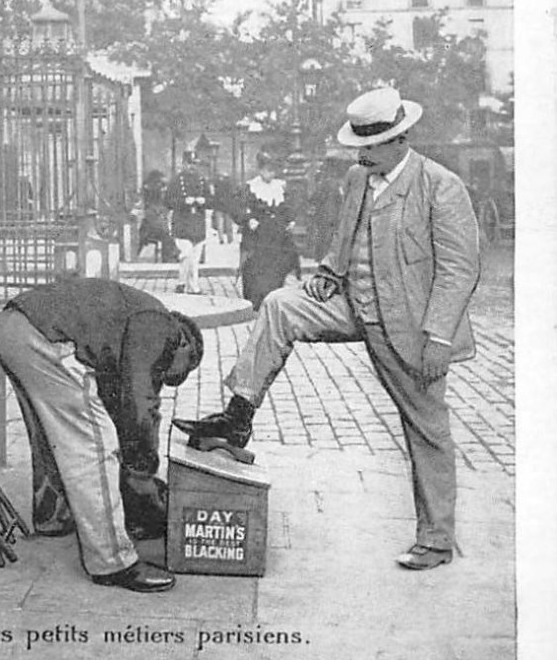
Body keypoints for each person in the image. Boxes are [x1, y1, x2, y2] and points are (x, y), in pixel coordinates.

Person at [177, 87, 480, 571]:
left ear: (400, 140)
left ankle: (437, 539)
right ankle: (238, 416)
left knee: (427, 430)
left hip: (409, 326)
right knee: (280, 305)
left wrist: (439, 337)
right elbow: (347, 233)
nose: (360, 154)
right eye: (359, 145)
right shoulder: (360, 178)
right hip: (351, 302)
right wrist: (327, 272)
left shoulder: (441, 186)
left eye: (371, 145)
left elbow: (459, 269)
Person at [0, 276, 204, 592]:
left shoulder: (131, 320)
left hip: (13, 326)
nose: (170, 378)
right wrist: (142, 475)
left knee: (52, 435)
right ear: (184, 344)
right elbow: (140, 402)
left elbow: (120, 402)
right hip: (44, 336)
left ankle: (54, 517)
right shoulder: (162, 326)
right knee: (94, 444)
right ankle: (112, 562)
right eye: (179, 371)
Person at [232, 150, 301, 310]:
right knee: (256, 269)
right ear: (260, 170)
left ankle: (272, 298)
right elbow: (237, 208)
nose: (270, 174)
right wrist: (248, 219)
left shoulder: (280, 187)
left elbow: (288, 207)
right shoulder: (250, 187)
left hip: (276, 235)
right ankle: (255, 300)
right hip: (257, 237)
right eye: (267, 170)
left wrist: (290, 220)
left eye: (273, 171)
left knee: (276, 267)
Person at [165, 148, 212, 294]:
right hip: (182, 222)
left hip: (197, 222)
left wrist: (203, 200)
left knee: (195, 257)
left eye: (194, 164)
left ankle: (191, 286)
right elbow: (167, 201)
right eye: (189, 164)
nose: (192, 167)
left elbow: (211, 200)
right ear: (183, 164)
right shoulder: (176, 181)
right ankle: (183, 283)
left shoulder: (202, 181)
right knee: (185, 254)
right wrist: (184, 201)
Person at [137, 169, 180, 263]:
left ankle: (171, 256)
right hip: (149, 230)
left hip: (155, 228)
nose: (164, 189)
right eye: (162, 185)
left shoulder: (160, 203)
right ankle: (171, 256)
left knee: (166, 234)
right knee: (166, 235)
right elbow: (150, 219)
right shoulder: (151, 203)